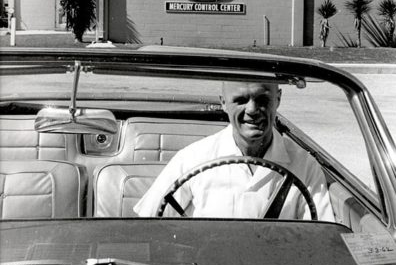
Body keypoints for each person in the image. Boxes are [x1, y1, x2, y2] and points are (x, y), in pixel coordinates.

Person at [134, 81, 334, 221]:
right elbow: (148, 223)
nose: (252, 110)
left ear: (278, 99)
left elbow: (320, 238)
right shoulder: (192, 159)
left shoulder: (305, 165)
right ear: (223, 102)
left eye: (262, 99)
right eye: (240, 100)